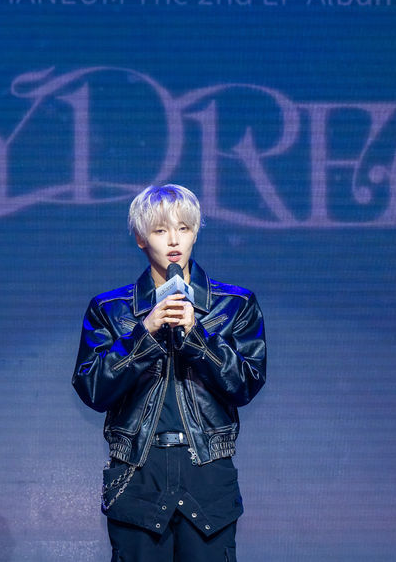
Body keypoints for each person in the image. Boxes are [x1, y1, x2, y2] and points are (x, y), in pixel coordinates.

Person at [72, 184, 267, 562]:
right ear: (141, 238)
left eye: (184, 228)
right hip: (138, 478)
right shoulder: (110, 309)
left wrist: (197, 336)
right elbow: (93, 389)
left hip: (207, 477)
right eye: (161, 230)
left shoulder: (235, 304)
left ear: (195, 233)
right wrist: (143, 334)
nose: (174, 240)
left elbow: (245, 384)